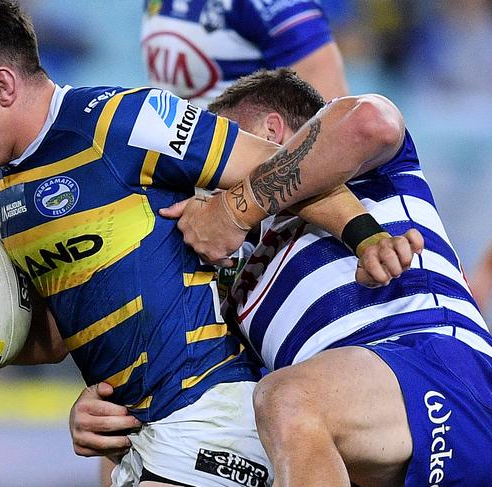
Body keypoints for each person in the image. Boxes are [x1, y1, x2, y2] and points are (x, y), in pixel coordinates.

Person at [0, 2, 417, 485]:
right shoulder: (5, 189)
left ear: (4, 85)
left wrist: (364, 233)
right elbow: (57, 335)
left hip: (209, 415)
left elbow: (278, 166)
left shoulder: (122, 120)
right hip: (140, 441)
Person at [160, 70, 492, 486]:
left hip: (441, 369)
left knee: (290, 401)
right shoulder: (233, 275)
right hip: (362, 441)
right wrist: (102, 414)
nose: (211, 174)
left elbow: (370, 120)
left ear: (273, 130)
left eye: (229, 142)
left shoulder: (359, 172)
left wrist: (235, 208)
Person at [141, 0, 349, 107]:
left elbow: (333, 121)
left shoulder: (275, 6)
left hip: (244, 176)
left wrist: (250, 190)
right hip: (180, 171)